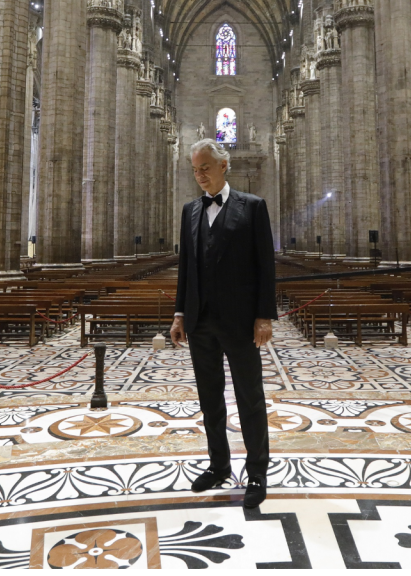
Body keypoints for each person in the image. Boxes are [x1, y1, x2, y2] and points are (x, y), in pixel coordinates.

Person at [170, 138, 277, 509]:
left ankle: (258, 472)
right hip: (200, 323)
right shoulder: (190, 211)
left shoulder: (253, 207)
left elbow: (266, 266)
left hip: (240, 321)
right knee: (210, 399)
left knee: (250, 398)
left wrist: (264, 316)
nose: (199, 175)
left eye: (205, 168)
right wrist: (180, 313)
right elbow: (186, 268)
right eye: (195, 169)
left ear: (223, 166)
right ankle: (218, 465)